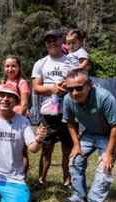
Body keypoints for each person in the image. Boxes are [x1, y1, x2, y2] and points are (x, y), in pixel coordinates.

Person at [62, 69, 116, 202]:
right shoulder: (68, 100)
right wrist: (76, 145)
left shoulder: (104, 97)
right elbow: (70, 122)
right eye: (70, 89)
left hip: (110, 133)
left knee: (104, 166)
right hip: (90, 133)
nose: (74, 93)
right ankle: (79, 195)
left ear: (89, 85)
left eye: (79, 88)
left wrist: (108, 153)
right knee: (75, 159)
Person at [30, 30, 73, 191]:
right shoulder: (40, 63)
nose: (52, 43)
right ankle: (41, 180)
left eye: (55, 40)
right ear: (45, 44)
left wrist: (67, 87)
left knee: (67, 150)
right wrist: (53, 88)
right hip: (48, 113)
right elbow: (36, 88)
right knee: (46, 149)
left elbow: (80, 80)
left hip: (69, 112)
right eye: (48, 41)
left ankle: (67, 182)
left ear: (60, 40)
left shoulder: (71, 60)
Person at [2, 54, 31, 175]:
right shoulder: (4, 81)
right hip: (6, 119)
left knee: (21, 151)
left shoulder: (22, 82)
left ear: (18, 67)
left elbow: (24, 105)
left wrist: (14, 120)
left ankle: (21, 177)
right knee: (10, 150)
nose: (10, 69)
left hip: (18, 121)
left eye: (13, 66)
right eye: (7, 66)